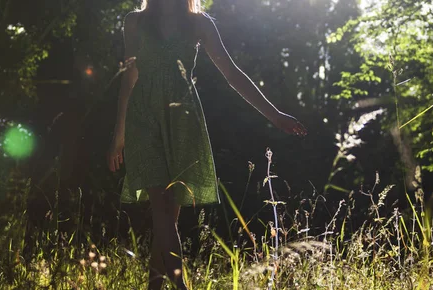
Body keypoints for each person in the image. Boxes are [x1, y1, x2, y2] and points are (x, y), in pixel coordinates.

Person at [107, 0, 306, 289]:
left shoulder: (199, 23)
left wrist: (274, 115)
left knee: (167, 220)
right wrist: (118, 135)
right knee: (162, 211)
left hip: (183, 123)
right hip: (143, 120)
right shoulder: (134, 22)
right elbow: (129, 78)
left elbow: (232, 74)